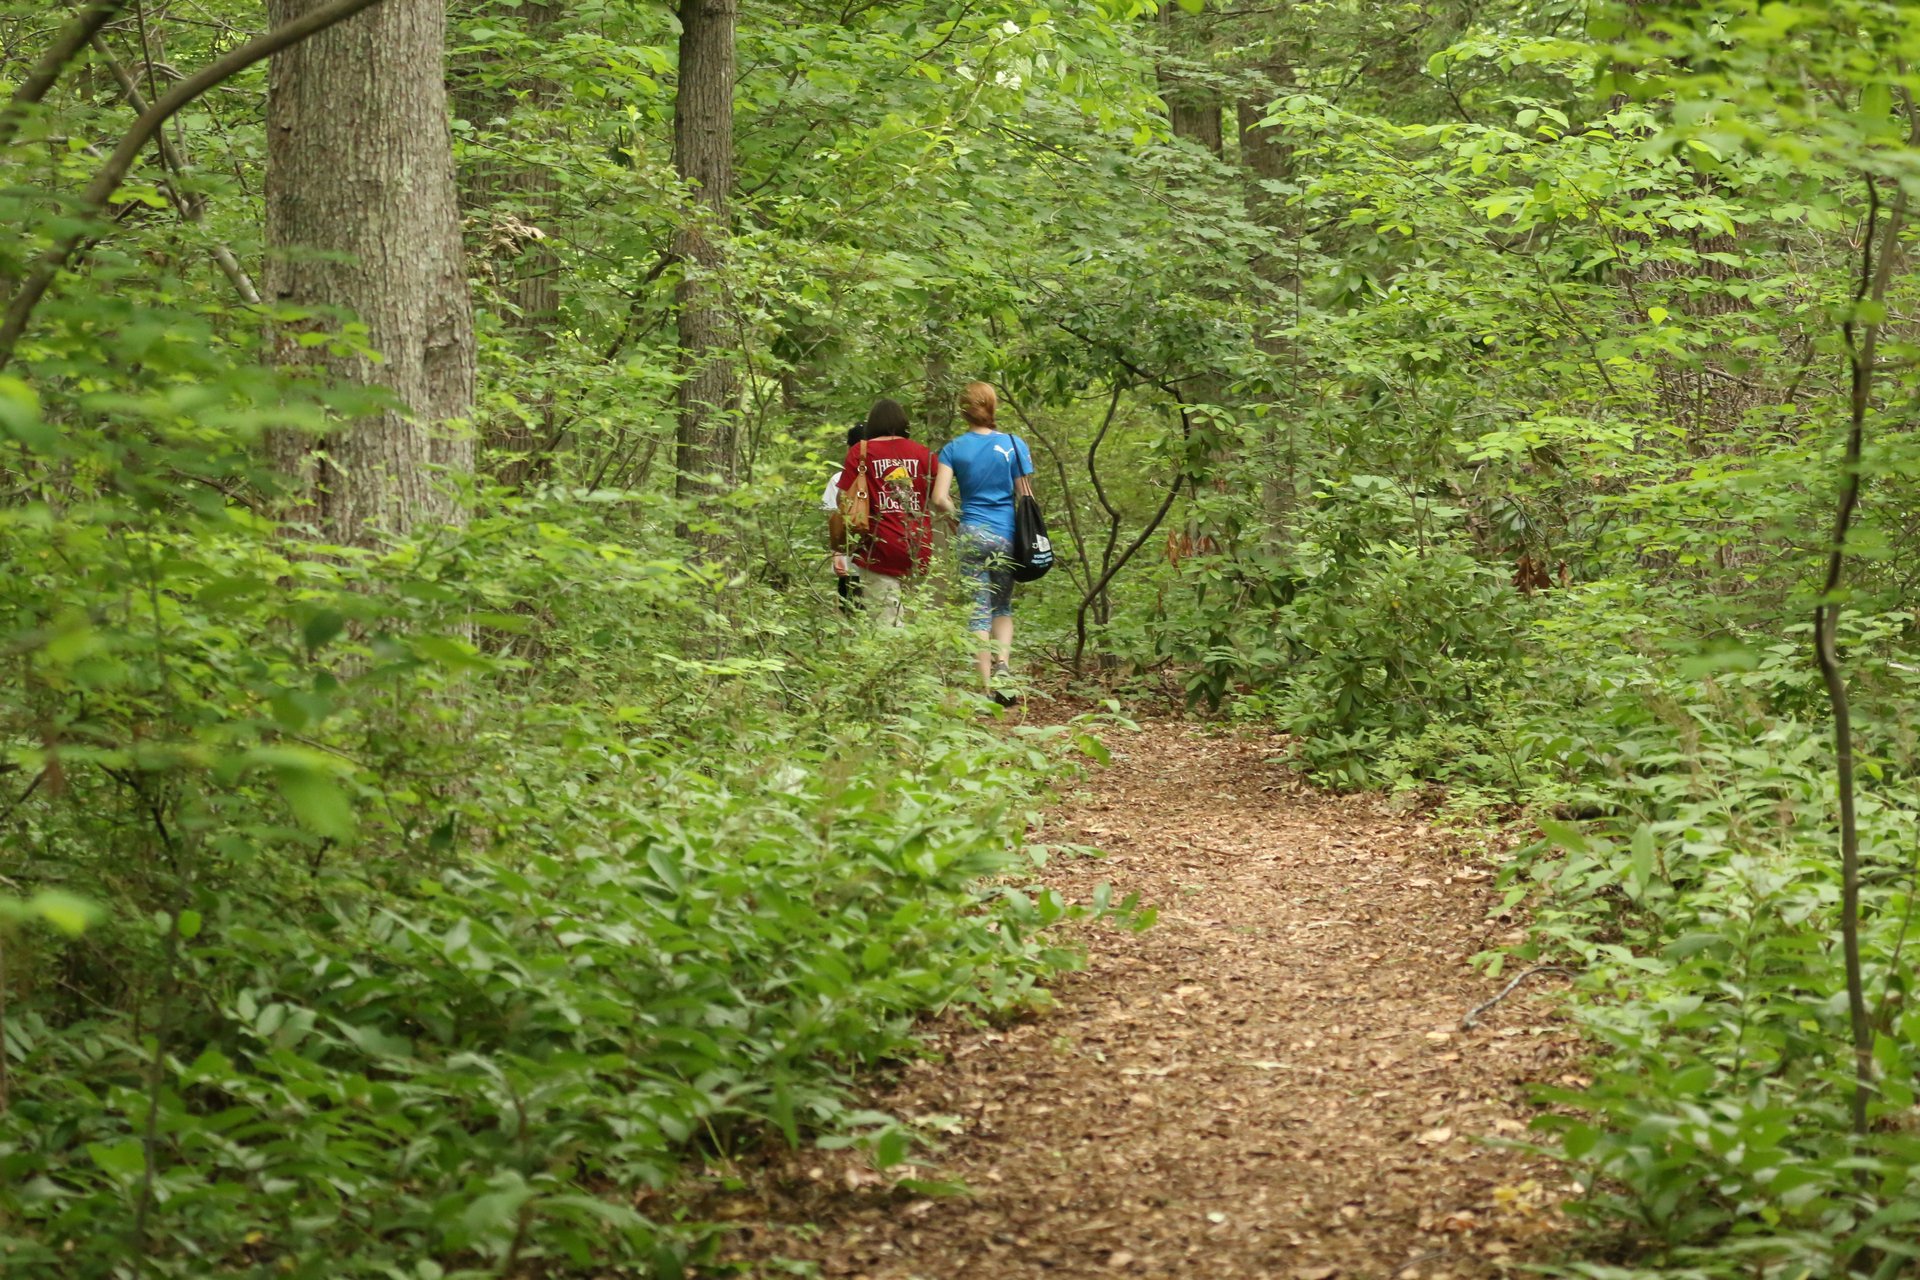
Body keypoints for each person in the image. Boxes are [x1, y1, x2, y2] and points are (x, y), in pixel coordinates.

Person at [932, 381, 1034, 703]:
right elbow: (1025, 495)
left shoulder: (953, 449)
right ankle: (1004, 666)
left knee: (979, 611)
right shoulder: (1014, 445)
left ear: (963, 411)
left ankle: (986, 688)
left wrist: (955, 514)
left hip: (971, 533)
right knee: (1002, 606)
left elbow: (939, 498)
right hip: (1006, 535)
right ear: (993, 406)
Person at [832, 399, 935, 625]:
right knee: (917, 618)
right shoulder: (924, 453)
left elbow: (843, 498)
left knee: (887, 622)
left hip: (879, 546)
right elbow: (936, 496)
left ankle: (900, 658)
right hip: (919, 544)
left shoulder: (861, 452)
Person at [823, 423, 865, 614]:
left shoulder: (839, 479)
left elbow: (832, 517)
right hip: (870, 561)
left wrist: (837, 553)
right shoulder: (885, 477)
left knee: (851, 612)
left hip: (851, 560)